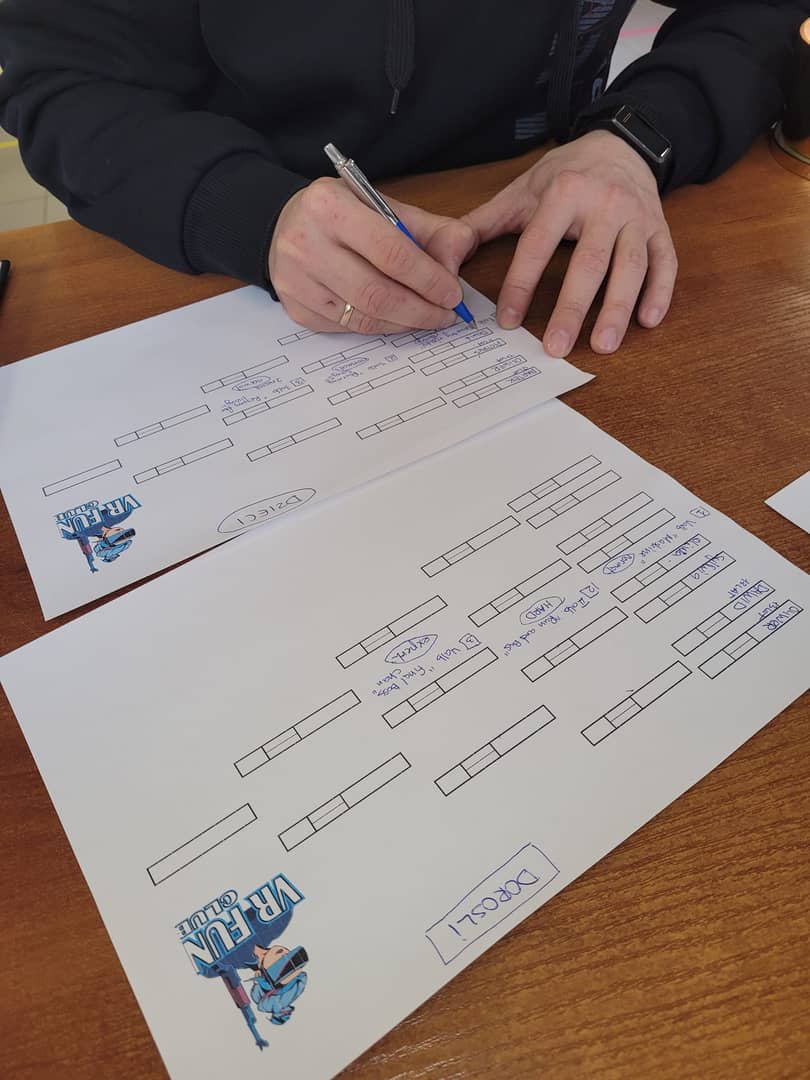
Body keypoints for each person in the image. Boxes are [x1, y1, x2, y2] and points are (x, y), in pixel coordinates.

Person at [0, 1, 806, 356]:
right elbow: (62, 81)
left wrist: (639, 135)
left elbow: (762, 13)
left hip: (552, 218)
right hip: (236, 265)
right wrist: (246, 213)